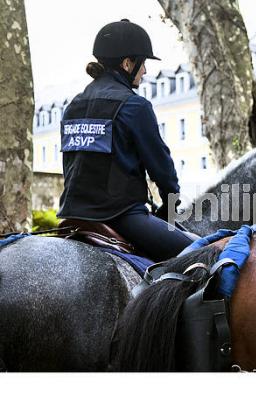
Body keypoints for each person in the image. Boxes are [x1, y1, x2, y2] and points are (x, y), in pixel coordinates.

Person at [57, 19, 196, 261]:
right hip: (121, 216)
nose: (145, 71)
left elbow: (72, 165)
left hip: (72, 215)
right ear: (127, 63)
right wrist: (169, 204)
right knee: (201, 255)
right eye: (142, 64)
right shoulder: (135, 106)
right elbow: (162, 170)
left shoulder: (73, 106)